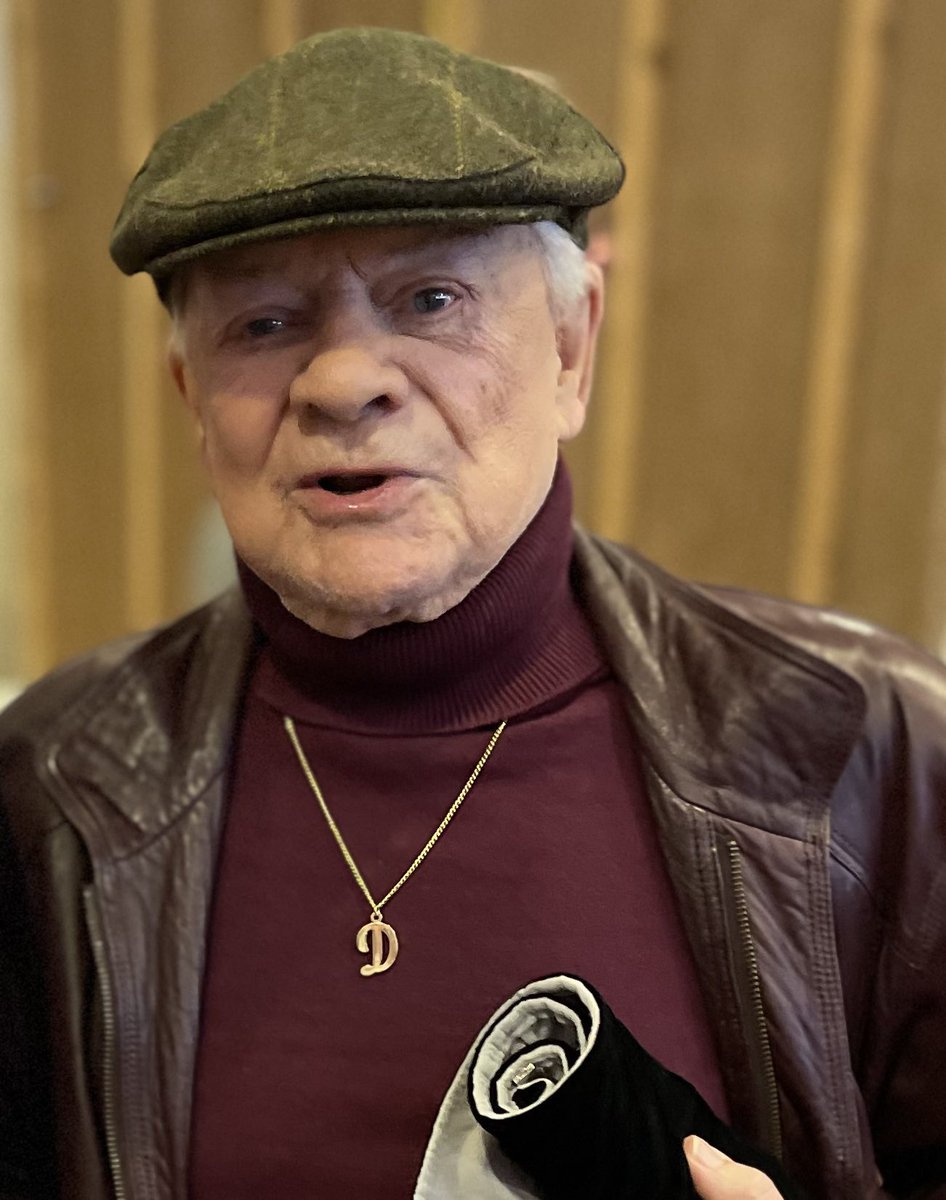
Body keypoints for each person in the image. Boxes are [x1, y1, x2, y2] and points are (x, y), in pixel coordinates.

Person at [1, 25, 944, 1200]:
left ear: (570, 348)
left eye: (431, 298)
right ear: (192, 396)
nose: (345, 381)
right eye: (265, 323)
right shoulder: (47, 787)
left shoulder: (874, 754)